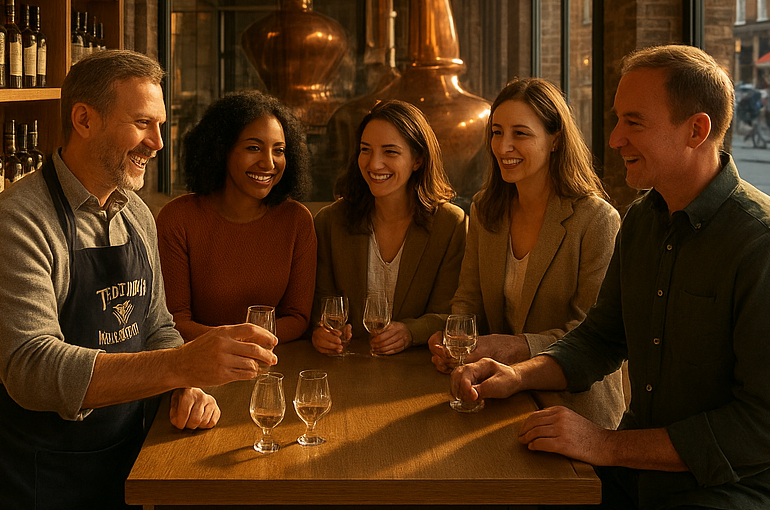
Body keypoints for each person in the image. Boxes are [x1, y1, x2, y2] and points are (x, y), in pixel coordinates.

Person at [451, 45, 770, 510]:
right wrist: (517, 375)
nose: (614, 138)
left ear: (697, 129)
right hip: (646, 476)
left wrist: (604, 444)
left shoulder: (769, 244)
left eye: (633, 122)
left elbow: (764, 431)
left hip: (740, 503)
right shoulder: (645, 222)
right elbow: (599, 339)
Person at [0, 51, 277, 510]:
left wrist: (187, 381)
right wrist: (180, 363)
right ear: (84, 119)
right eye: (142, 125)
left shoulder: (135, 212)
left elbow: (154, 324)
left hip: (110, 471)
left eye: (161, 125)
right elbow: (30, 368)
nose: (158, 143)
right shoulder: (16, 221)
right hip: (33, 481)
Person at [429, 78, 625, 427]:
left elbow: (590, 334)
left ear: (555, 140)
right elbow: (467, 302)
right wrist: (455, 344)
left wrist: (513, 347)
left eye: (520, 133)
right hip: (496, 401)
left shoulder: (596, 220)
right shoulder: (486, 209)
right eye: (496, 132)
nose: (503, 146)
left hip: (575, 410)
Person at [156, 90, 317, 342]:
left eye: (279, 150)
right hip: (199, 367)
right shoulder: (178, 219)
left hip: (273, 364)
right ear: (221, 150)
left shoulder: (296, 220)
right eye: (254, 147)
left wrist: (244, 345)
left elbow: (297, 317)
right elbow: (175, 320)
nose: (269, 163)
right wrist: (233, 345)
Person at [312, 100, 466, 355]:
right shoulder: (330, 222)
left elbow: (453, 314)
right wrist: (321, 333)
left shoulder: (450, 225)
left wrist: (410, 332)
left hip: (418, 369)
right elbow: (319, 308)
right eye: (366, 150)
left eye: (390, 152)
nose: (374, 164)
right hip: (346, 366)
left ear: (417, 160)